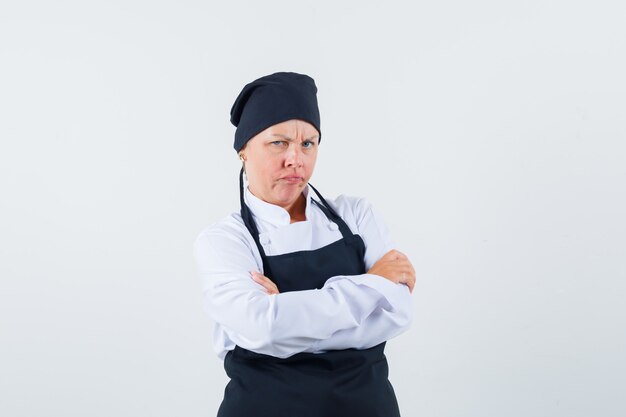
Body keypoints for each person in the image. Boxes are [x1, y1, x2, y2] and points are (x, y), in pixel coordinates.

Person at [193, 71, 416, 417]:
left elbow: (398, 312)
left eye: (308, 143)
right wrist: (372, 284)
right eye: (278, 142)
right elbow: (262, 326)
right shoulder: (224, 241)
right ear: (243, 151)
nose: (295, 159)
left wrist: (287, 310)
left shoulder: (356, 213)